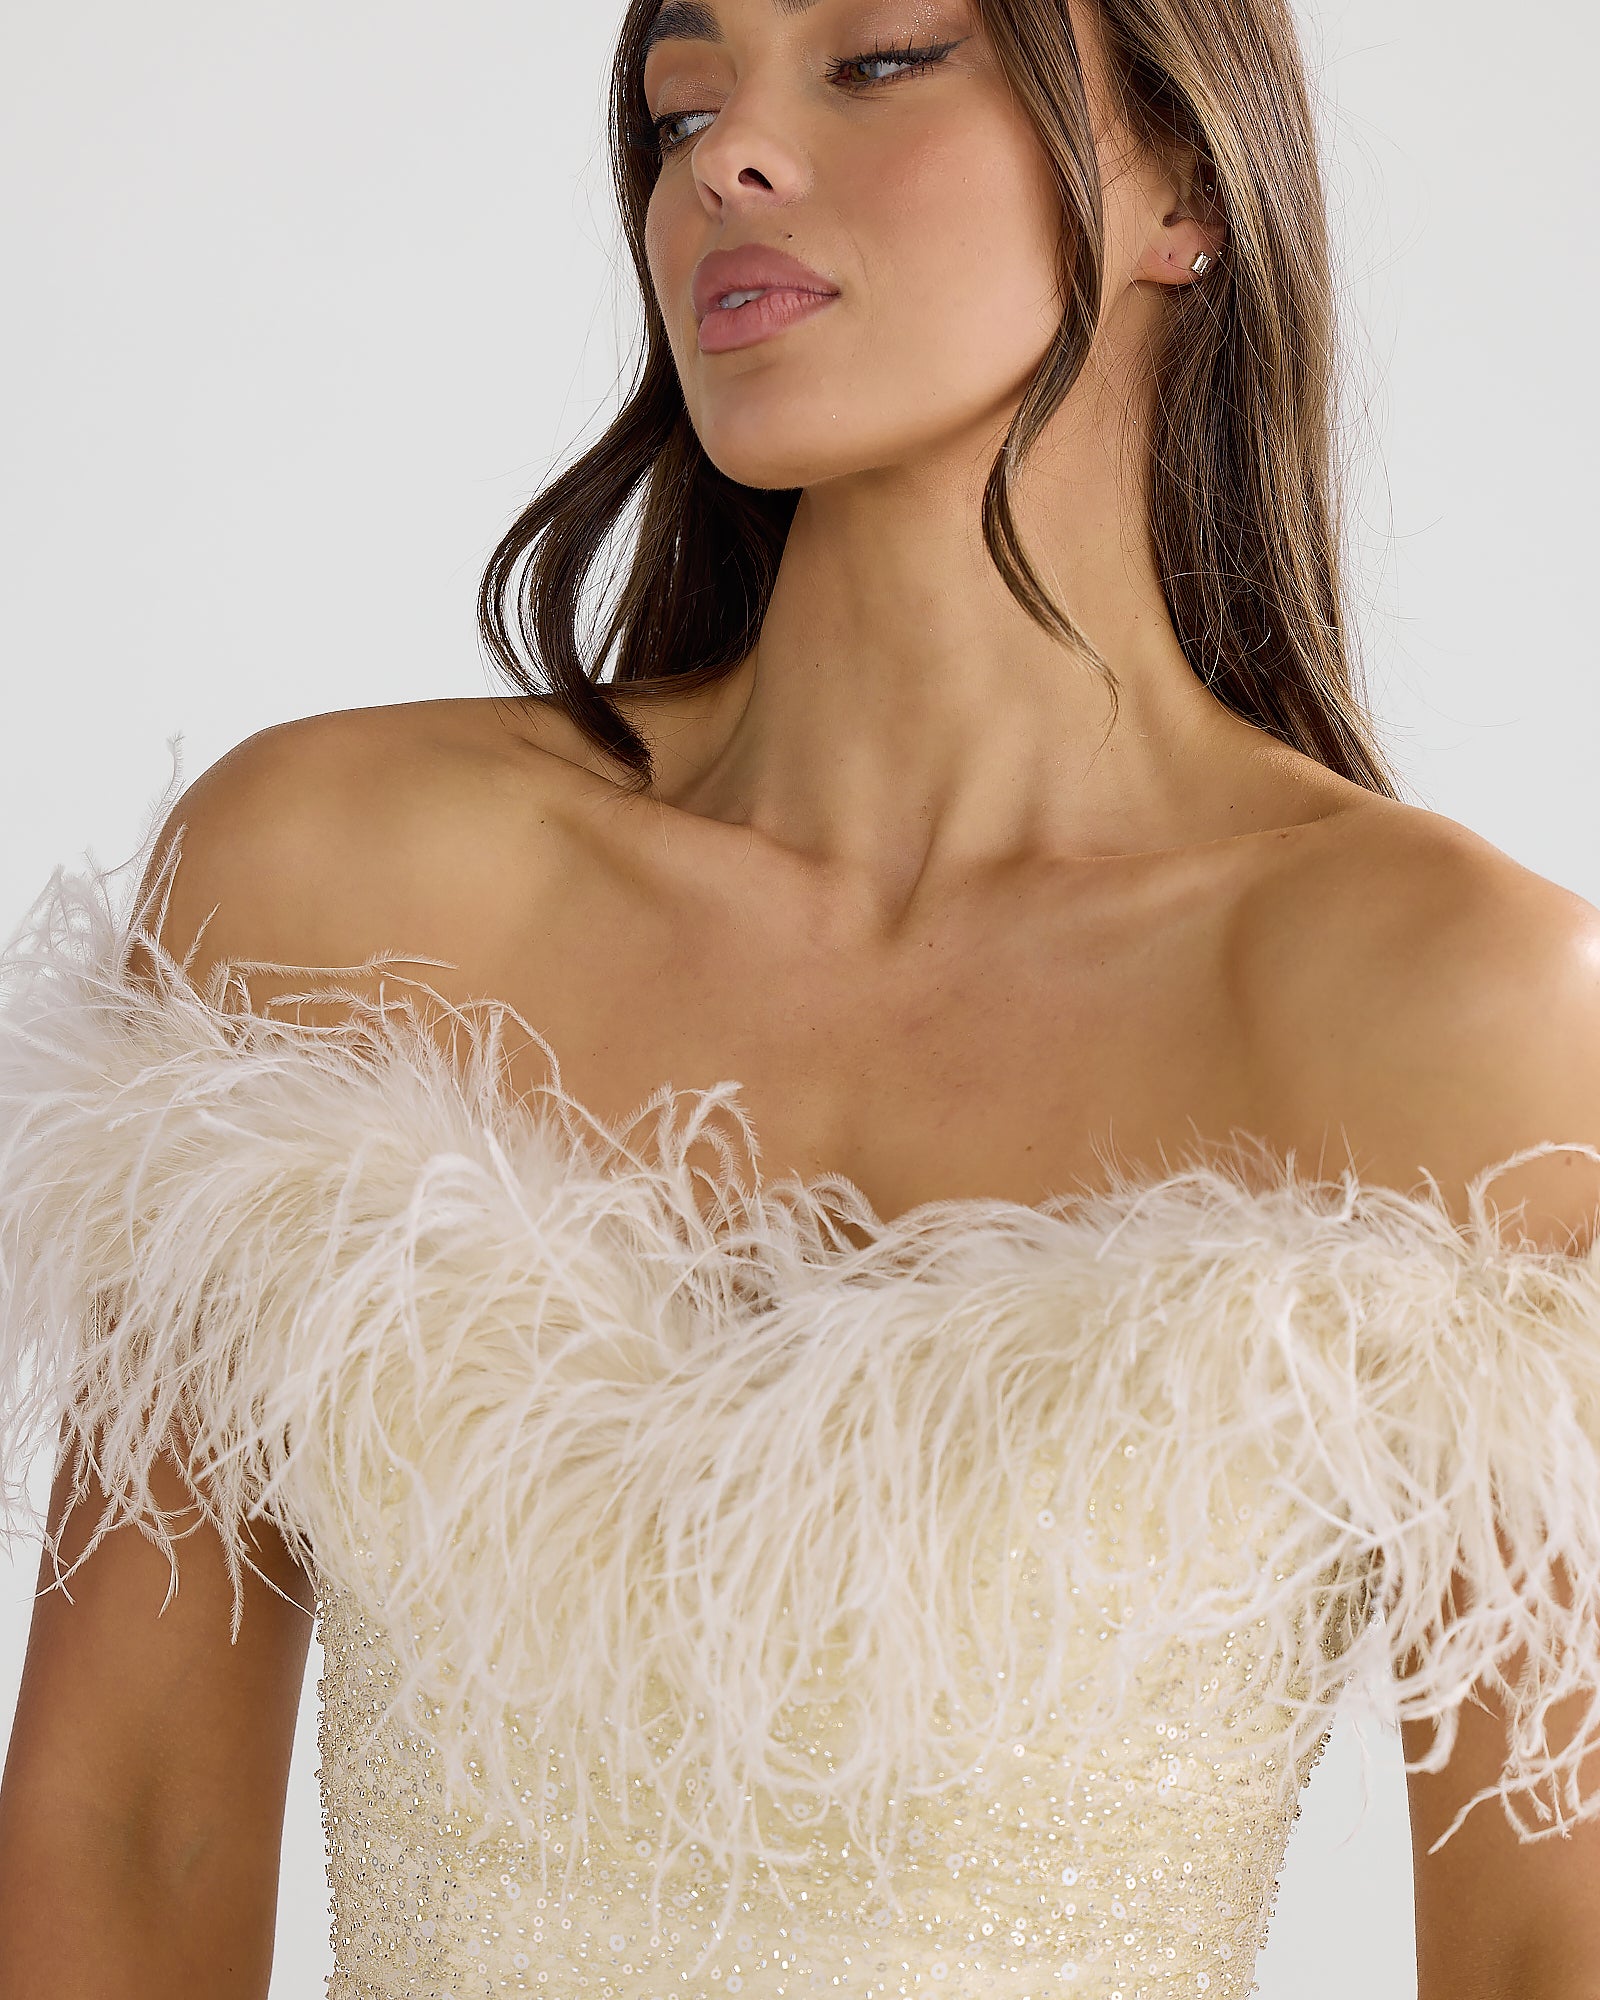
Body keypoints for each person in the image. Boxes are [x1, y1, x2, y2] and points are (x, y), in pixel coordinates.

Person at [1, 0, 1599, 1992]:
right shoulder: (321, 885)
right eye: (683, 102)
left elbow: (1545, 1948)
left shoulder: (1452, 1009)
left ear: (1184, 186)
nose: (724, 160)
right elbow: (129, 1815)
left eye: (878, 59)